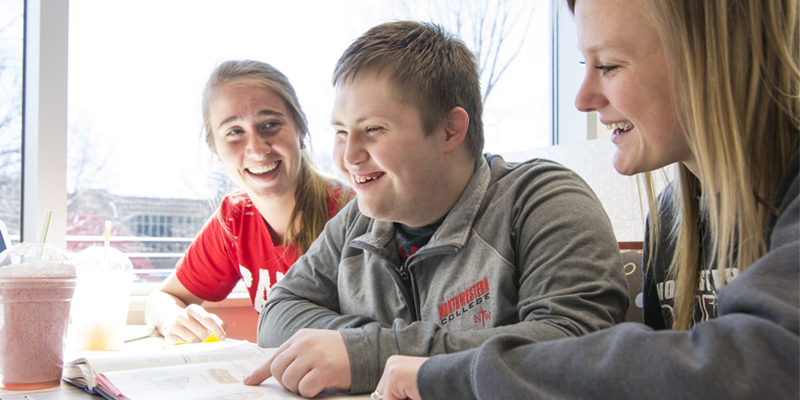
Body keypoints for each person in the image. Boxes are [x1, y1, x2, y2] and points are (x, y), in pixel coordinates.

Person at [373, 0, 800, 398]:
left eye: (609, 65)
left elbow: (767, 361)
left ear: (717, 59)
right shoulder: (670, 221)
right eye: (584, 64)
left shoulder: (542, 198)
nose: (582, 99)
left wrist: (451, 375)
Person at [242, 21, 630, 397]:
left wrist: (368, 353)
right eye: (341, 132)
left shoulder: (542, 199)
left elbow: (575, 344)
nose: (348, 157)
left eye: (373, 130)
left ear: (450, 130)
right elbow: (278, 315)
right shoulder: (357, 222)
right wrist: (371, 346)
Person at [145, 60, 353, 344]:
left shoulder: (351, 214)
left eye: (270, 125)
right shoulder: (234, 218)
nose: (257, 149)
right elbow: (163, 298)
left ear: (301, 132)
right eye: (234, 132)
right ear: (215, 150)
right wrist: (174, 319)